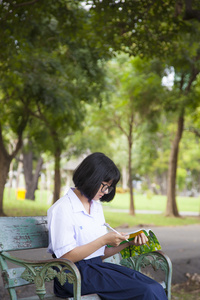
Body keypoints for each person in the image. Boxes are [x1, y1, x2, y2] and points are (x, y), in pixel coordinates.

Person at [47, 152, 168, 300]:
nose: (105, 192)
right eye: (104, 185)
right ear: (90, 177)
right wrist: (103, 240)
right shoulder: (62, 208)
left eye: (109, 187)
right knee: (145, 291)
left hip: (96, 268)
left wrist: (128, 242)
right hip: (71, 275)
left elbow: (100, 253)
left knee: (154, 287)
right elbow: (66, 257)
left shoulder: (95, 206)